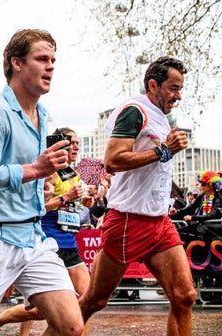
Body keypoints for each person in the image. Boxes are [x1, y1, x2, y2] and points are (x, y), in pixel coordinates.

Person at [0, 29, 84, 336]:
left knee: (72, 326)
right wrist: (36, 169)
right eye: (41, 59)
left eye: (53, 60)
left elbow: (34, 173)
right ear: (17, 63)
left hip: (33, 236)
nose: (51, 66)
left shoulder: (43, 113)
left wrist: (46, 180)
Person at [78, 57, 197, 336]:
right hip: (128, 221)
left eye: (180, 89)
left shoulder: (161, 117)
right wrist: (164, 150)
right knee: (95, 300)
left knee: (185, 296)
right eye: (173, 88)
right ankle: (60, 329)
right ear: (153, 84)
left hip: (159, 222)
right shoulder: (135, 111)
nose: (178, 96)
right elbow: (112, 161)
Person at [0, 128, 92, 336]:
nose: (76, 147)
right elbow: (39, 206)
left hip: (69, 242)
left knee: (87, 297)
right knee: (38, 310)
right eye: (72, 142)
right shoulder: (50, 173)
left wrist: (82, 202)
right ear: (60, 144)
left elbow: (72, 206)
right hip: (48, 242)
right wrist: (65, 198)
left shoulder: (73, 174)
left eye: (78, 143)